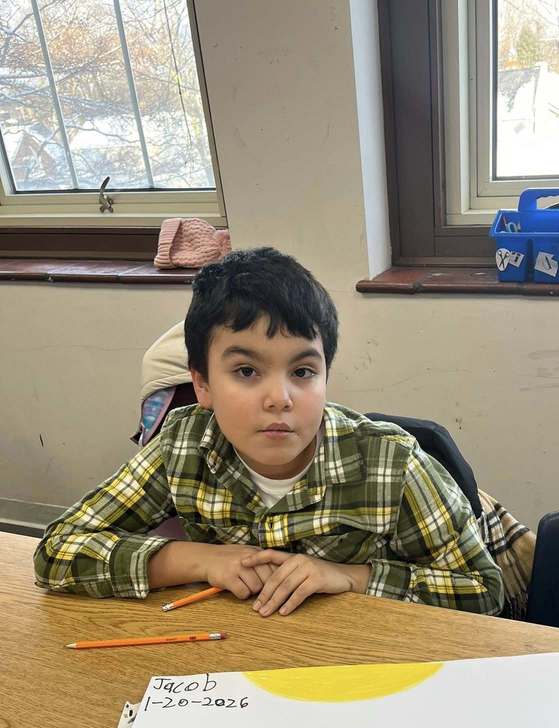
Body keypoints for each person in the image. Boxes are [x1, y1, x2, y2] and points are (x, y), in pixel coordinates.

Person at [34, 247, 508, 617]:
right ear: (202, 383)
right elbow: (57, 549)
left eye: (302, 372)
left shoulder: (394, 464)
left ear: (325, 378)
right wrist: (201, 560)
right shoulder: (182, 447)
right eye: (245, 371)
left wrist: (347, 576)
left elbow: (483, 591)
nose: (279, 398)